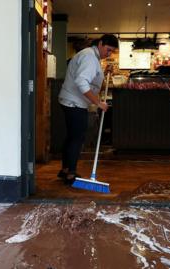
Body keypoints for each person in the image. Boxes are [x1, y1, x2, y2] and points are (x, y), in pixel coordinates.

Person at [57, 34, 118, 183]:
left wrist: (104, 73)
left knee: (72, 136)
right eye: (108, 50)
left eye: (111, 52)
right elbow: (82, 82)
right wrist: (98, 102)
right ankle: (71, 174)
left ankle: (65, 169)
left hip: (71, 100)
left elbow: (90, 80)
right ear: (101, 44)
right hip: (74, 102)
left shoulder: (90, 56)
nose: (108, 54)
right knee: (77, 138)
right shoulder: (90, 57)